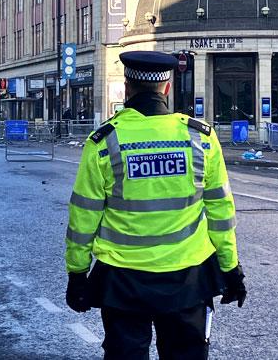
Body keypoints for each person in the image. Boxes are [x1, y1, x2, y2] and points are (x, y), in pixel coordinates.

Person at [64, 51, 246, 360]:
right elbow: (220, 214)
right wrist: (231, 269)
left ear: (127, 86)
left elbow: (84, 218)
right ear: (166, 87)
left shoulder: (104, 142)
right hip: (187, 277)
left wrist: (77, 274)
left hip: (122, 279)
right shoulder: (200, 138)